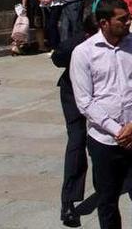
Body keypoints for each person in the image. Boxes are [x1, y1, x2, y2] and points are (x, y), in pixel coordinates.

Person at [70, 0, 132, 229]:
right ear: (103, 23)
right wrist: (118, 130)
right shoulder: (83, 53)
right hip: (104, 141)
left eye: (129, 17)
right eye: (122, 19)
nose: (129, 22)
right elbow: (85, 101)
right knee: (108, 200)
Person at [51, 15, 98, 228]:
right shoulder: (73, 46)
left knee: (102, 142)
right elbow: (57, 58)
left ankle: (106, 184)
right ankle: (68, 202)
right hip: (73, 94)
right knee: (77, 142)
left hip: (101, 95)